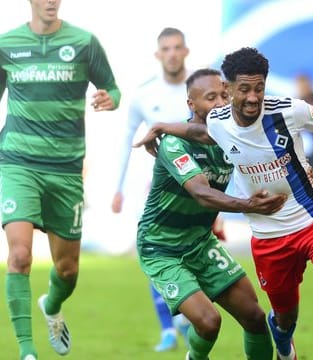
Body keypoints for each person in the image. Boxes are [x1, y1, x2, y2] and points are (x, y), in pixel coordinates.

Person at [136, 47, 313, 360]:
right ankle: (284, 346)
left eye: (259, 88)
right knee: (283, 318)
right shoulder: (218, 122)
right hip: (270, 235)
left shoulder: (288, 110)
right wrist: (161, 126)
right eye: (244, 89)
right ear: (229, 89)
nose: (252, 97)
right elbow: (202, 133)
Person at [137, 68, 288, 360]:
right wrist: (248, 204)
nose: (220, 103)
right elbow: (202, 194)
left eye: (223, 95)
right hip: (161, 247)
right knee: (208, 322)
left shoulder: (230, 138)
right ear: (191, 105)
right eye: (210, 97)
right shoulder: (174, 143)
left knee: (255, 318)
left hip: (200, 242)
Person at [0, 0, 121, 359]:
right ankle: (27, 352)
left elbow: (113, 88)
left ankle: (51, 306)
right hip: (18, 162)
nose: (51, 1)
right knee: (19, 255)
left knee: (67, 270)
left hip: (66, 169)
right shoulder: (7, 44)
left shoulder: (84, 42)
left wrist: (108, 98)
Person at [110, 26, 195, 353]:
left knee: (192, 256)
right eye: (166, 48)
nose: (172, 53)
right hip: (157, 191)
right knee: (154, 254)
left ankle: (186, 318)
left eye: (177, 47)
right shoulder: (145, 95)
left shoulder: (200, 89)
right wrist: (117, 187)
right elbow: (127, 140)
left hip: (199, 190)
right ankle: (168, 330)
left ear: (185, 51)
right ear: (158, 54)